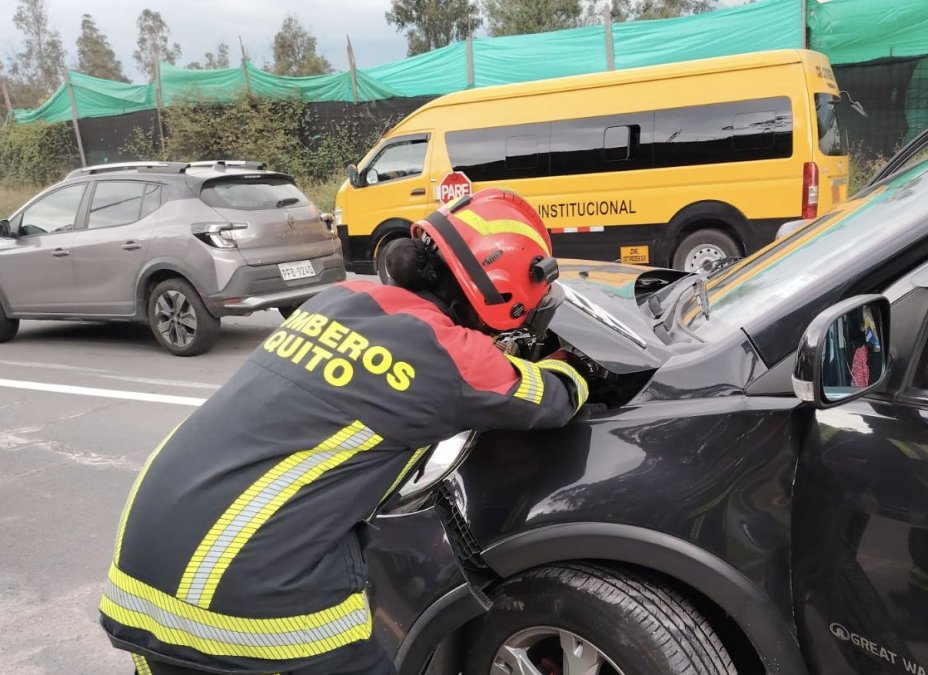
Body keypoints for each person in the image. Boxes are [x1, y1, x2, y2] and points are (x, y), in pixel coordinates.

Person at [100, 188, 589, 675]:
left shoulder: (337, 299)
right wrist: (574, 366)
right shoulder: (452, 356)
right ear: (506, 289)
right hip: (241, 585)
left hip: (140, 567)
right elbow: (552, 398)